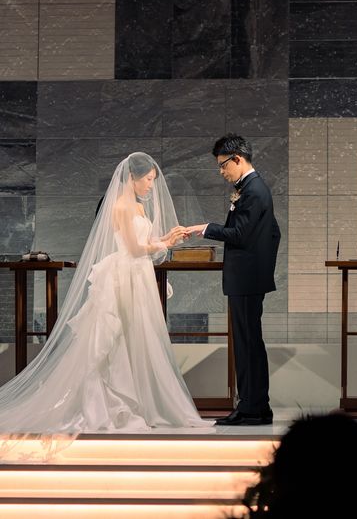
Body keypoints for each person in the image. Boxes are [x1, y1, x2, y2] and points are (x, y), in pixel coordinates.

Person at [0, 152, 214, 451]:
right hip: (124, 276)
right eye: (148, 179)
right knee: (113, 340)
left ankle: (135, 403)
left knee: (135, 337)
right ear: (132, 177)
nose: (151, 185)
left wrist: (168, 238)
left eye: (153, 180)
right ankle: (107, 405)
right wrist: (164, 243)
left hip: (137, 276)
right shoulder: (120, 206)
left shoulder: (138, 206)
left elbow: (145, 245)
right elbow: (134, 249)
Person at [186, 135, 280, 425]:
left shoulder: (254, 190)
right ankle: (255, 406)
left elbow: (239, 234)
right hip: (249, 278)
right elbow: (273, 233)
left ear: (237, 158)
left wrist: (206, 229)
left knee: (247, 343)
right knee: (248, 342)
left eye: (223, 164)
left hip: (248, 279)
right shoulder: (252, 188)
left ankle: (252, 408)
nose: (221, 171)